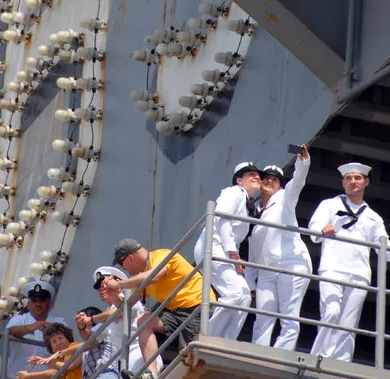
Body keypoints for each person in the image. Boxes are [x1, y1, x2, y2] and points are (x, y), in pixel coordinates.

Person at [309, 162, 390, 362]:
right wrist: (323, 230)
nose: (353, 182)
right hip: (333, 268)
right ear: (342, 183)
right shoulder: (329, 205)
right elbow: (314, 229)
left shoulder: (373, 217)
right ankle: (320, 358)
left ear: (366, 182)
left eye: (357, 178)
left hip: (359, 274)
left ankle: (340, 364)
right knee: (331, 313)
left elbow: (384, 249)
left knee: (349, 323)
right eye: (348, 178)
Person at [106, 239, 216, 379]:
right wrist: (114, 295)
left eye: (122, 265)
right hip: (176, 312)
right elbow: (125, 308)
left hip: (196, 307)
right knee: (144, 321)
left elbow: (154, 275)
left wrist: (120, 285)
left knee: (191, 356)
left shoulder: (161, 256)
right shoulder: (140, 277)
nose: (125, 270)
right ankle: (151, 374)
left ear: (130, 258)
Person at [247, 145, 312, 350]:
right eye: (266, 178)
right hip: (267, 271)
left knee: (288, 316)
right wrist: (250, 282)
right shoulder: (256, 212)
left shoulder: (285, 198)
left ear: (281, 186)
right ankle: (258, 356)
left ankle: (281, 358)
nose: (269, 181)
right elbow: (253, 252)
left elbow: (298, 181)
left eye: (274, 179)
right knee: (263, 318)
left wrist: (303, 162)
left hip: (291, 264)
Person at [193, 161, 262, 340]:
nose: (256, 177)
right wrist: (233, 254)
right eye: (250, 175)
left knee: (244, 297)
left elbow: (234, 233)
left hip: (224, 250)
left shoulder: (248, 203)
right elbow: (222, 218)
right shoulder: (234, 192)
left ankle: (226, 340)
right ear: (239, 180)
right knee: (234, 294)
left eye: (257, 175)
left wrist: (234, 255)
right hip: (213, 246)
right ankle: (207, 337)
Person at [76, 266, 162, 375]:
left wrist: (91, 319)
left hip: (142, 356)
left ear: (116, 281)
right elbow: (91, 340)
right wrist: (81, 325)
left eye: (104, 284)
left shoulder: (129, 298)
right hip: (126, 362)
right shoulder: (107, 312)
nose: (101, 289)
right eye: (99, 287)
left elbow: (118, 312)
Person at [7, 280, 67, 377]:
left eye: (42, 300)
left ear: (49, 303)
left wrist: (52, 331)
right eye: (34, 301)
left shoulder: (59, 322)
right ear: (28, 304)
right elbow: (10, 331)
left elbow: (65, 350)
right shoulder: (18, 320)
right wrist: (30, 327)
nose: (38, 304)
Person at [16, 323, 81, 379]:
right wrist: (28, 376)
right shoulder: (58, 358)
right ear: (52, 349)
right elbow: (54, 373)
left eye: (60, 338)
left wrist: (49, 361)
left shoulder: (73, 346)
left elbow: (67, 367)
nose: (58, 342)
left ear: (68, 338)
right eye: (54, 341)